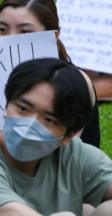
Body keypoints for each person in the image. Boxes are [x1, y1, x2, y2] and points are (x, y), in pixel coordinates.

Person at [0, 58, 112, 216]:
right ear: (7, 105)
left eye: (49, 119)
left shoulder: (74, 155)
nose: (31, 124)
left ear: (69, 135)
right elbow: (11, 211)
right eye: (23, 109)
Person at [0, 0, 101, 147]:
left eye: (25, 32)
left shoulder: (74, 81)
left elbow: (51, 150)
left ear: (52, 36)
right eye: (2, 29)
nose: (10, 38)